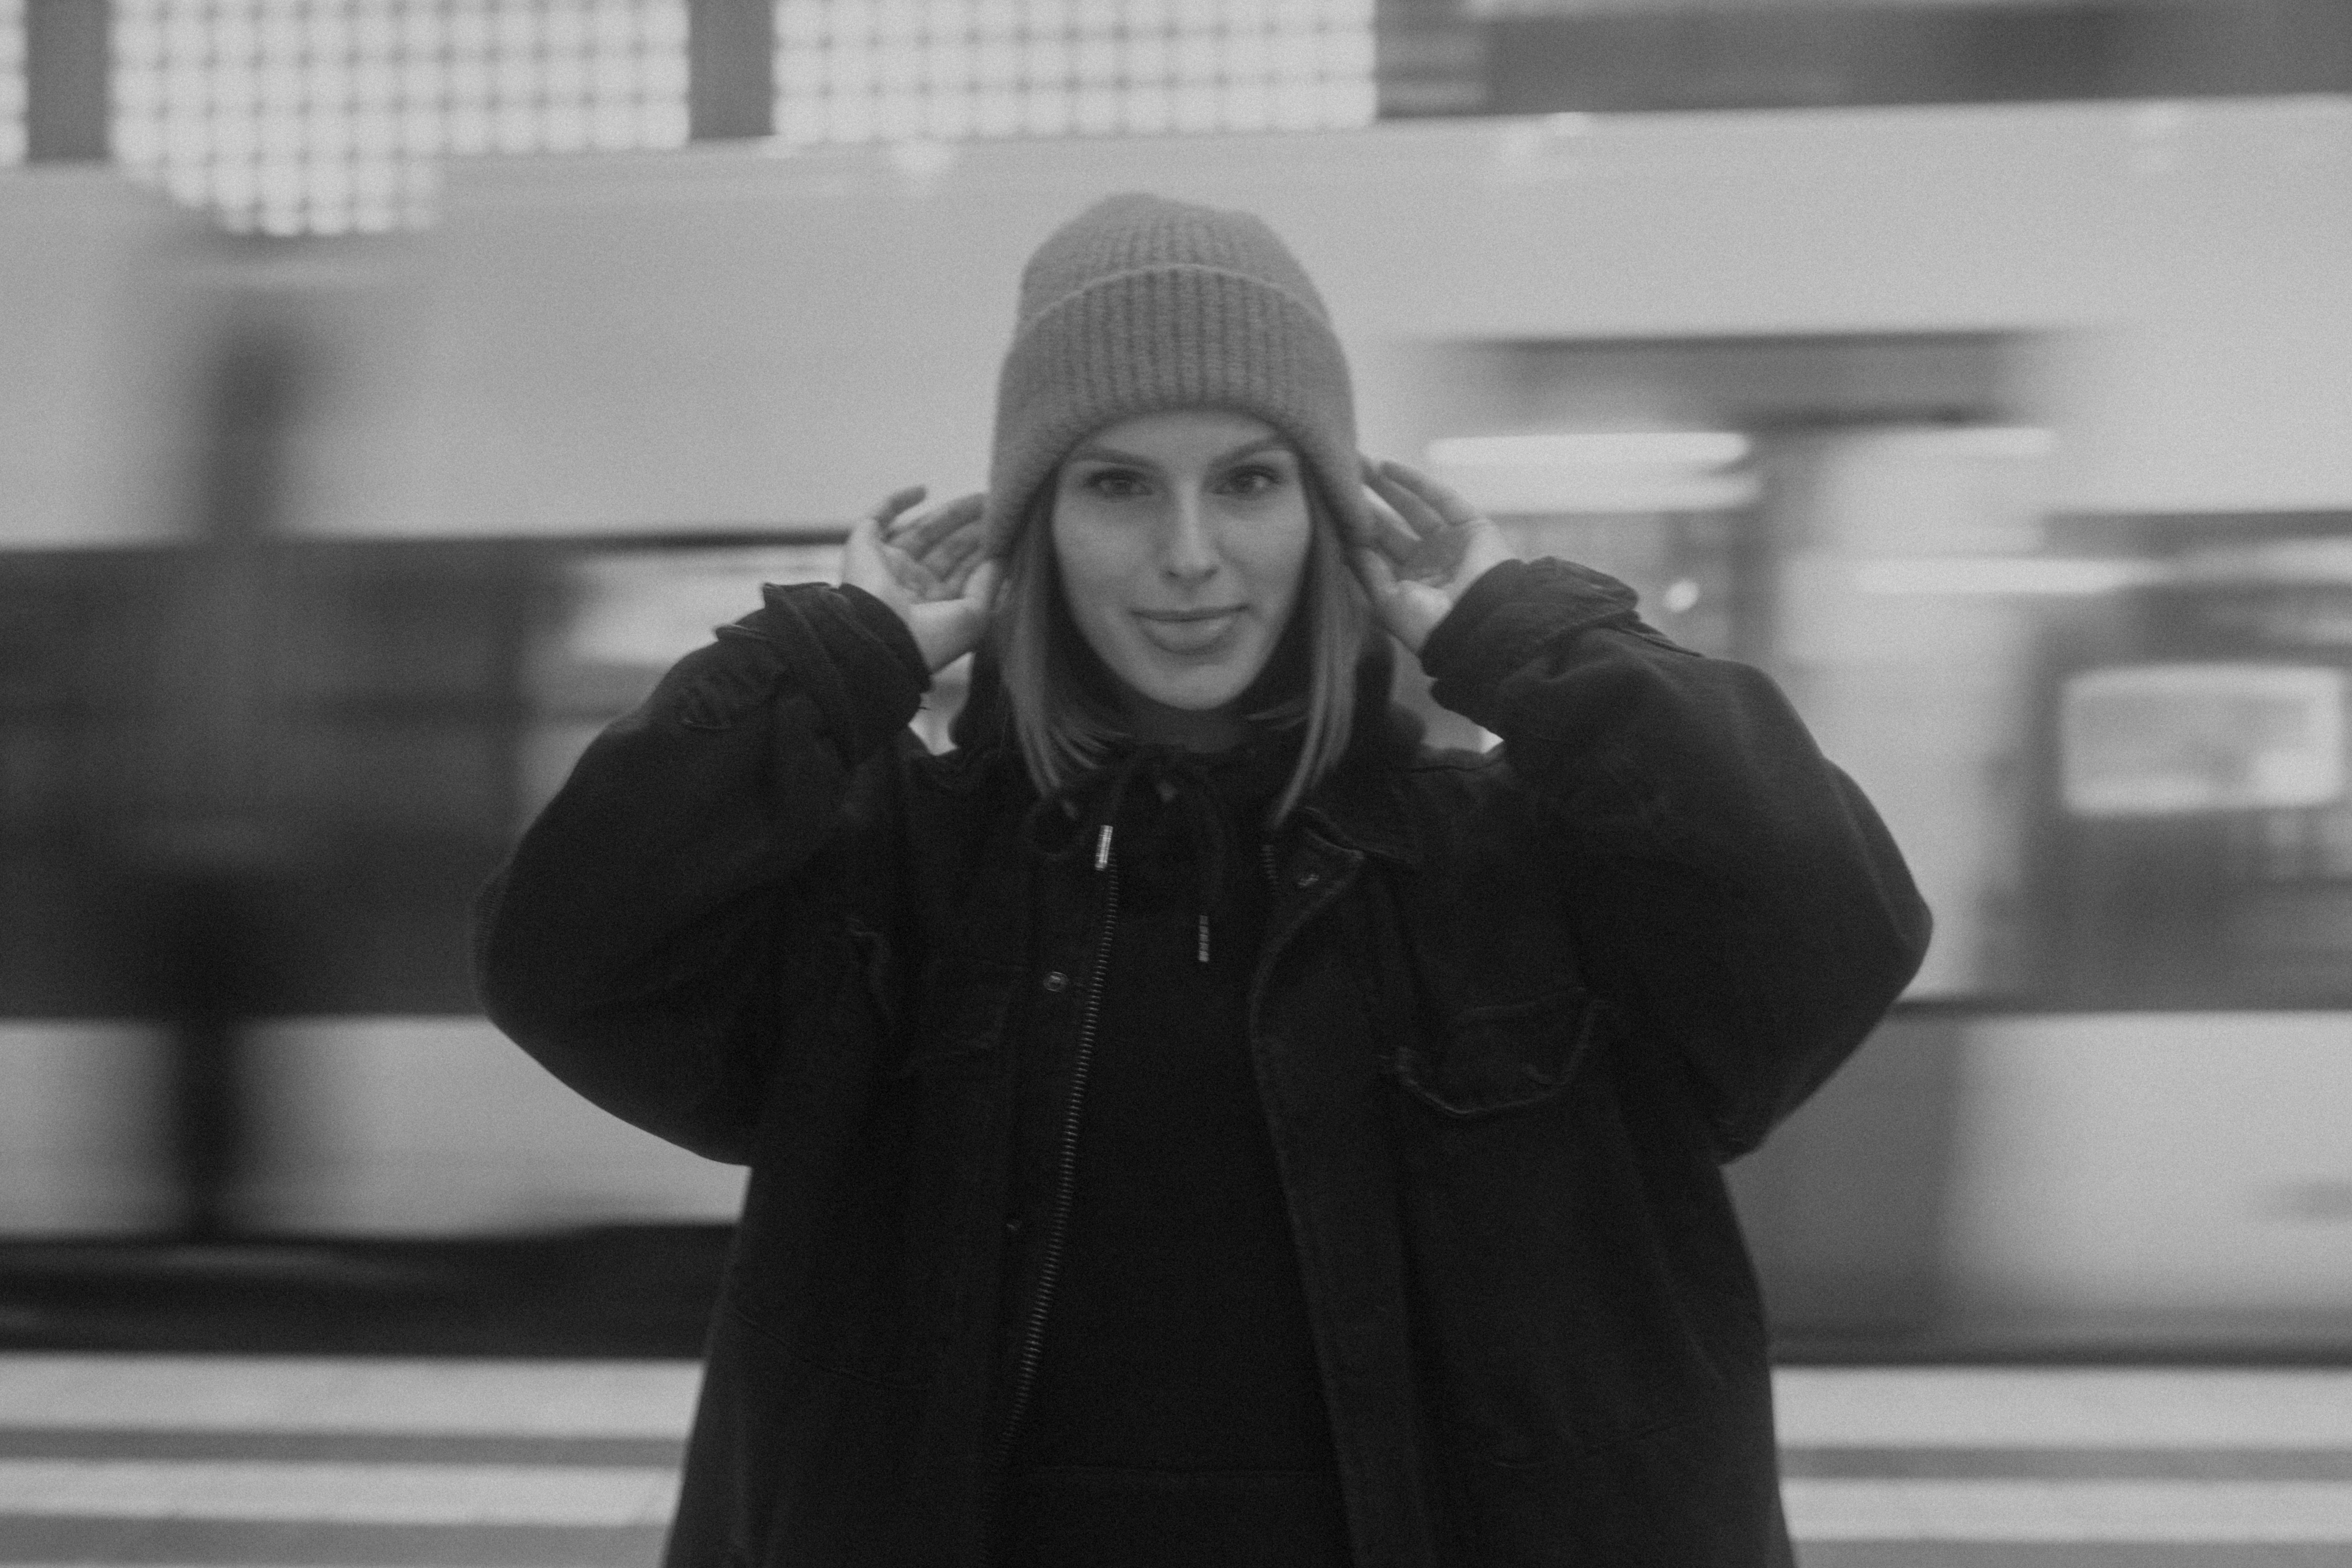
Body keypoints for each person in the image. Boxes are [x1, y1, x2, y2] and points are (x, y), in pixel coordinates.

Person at [474, 193, 1930, 1568]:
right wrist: (833, 659)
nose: (1188, 558)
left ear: (1335, 517)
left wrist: (1532, 640)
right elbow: (567, 955)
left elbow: (1831, 925)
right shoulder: (899, 874)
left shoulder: (1507, 865)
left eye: (1248, 481)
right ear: (1036, 528)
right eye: (1116, 486)